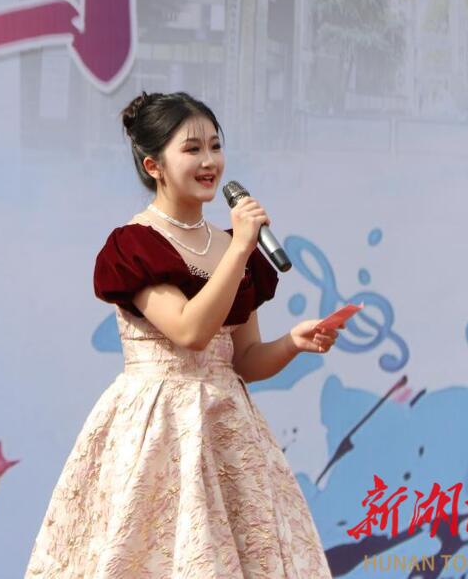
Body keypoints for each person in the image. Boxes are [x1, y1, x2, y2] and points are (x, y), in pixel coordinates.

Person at [25, 91, 334, 578]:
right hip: (159, 429)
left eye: (215, 146)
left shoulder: (233, 245)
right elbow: (190, 330)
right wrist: (240, 249)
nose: (209, 161)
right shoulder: (136, 244)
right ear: (154, 166)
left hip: (227, 431)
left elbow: (244, 359)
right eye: (192, 149)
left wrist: (293, 342)